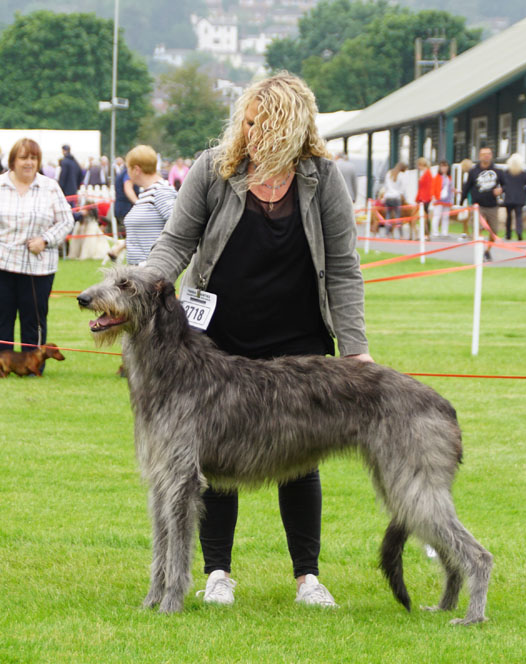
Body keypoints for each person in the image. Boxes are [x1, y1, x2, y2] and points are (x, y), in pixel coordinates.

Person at [145, 72, 372, 608]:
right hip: (219, 335)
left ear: (290, 132)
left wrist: (356, 347)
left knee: (301, 455)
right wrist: (144, 284)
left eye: (261, 126)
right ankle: (217, 572)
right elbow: (176, 242)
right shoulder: (213, 169)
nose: (247, 133)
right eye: (246, 121)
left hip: (299, 336)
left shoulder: (322, 179)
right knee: (215, 452)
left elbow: (343, 269)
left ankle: (307, 578)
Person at [0, 138, 74, 353]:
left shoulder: (49, 187)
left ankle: (32, 363)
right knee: (2, 316)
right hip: (3, 264)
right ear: (13, 160)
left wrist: (46, 240)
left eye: (34, 158)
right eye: (24, 158)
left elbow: (66, 220)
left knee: (34, 317)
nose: (29, 163)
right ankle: (3, 364)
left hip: (38, 267)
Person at [123, 145, 177, 265]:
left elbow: (178, 226)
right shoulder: (146, 192)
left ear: (136, 169)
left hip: (151, 273)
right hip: (139, 271)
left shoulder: (161, 191)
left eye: (128, 168)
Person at [461, 147, 505, 261]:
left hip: (492, 205)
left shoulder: (497, 171)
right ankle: (479, 251)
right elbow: (467, 187)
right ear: (479, 156)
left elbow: (506, 185)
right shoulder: (473, 171)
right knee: (477, 228)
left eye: (488, 154)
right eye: (484, 154)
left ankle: (487, 251)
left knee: (494, 231)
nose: (486, 156)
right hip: (478, 206)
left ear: (491, 156)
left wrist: (501, 190)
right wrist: (462, 202)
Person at [502, 153, 526, 241]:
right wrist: (524, 193)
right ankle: (519, 232)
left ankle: (508, 234)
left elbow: (503, 184)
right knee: (519, 216)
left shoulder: (506, 173)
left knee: (509, 216)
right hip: (519, 197)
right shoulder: (523, 173)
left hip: (509, 197)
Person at [58, 144, 84, 221]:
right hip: (73, 190)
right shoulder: (75, 162)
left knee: (66, 212)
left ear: (63, 151)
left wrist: (60, 188)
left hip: (66, 191)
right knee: (72, 209)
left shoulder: (64, 162)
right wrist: (77, 185)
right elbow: (81, 174)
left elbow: (63, 177)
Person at [382, 162, 408, 235]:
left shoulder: (389, 173)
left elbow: (386, 186)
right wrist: (404, 197)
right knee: (398, 216)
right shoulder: (402, 175)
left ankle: (387, 234)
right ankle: (401, 235)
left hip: (388, 197)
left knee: (388, 216)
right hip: (396, 197)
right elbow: (403, 189)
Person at [431, 160, 454, 237]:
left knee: (445, 216)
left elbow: (450, 188)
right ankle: (435, 231)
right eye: (442, 167)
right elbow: (433, 188)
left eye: (445, 166)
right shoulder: (437, 177)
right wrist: (434, 196)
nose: (444, 168)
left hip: (447, 199)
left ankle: (445, 231)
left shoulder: (449, 177)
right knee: (437, 215)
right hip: (438, 199)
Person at [415, 157, 433, 236]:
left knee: (426, 216)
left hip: (426, 198)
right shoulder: (424, 173)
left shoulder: (428, 173)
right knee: (423, 216)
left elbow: (429, 186)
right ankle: (424, 232)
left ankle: (427, 233)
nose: (418, 167)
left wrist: (426, 198)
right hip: (422, 197)